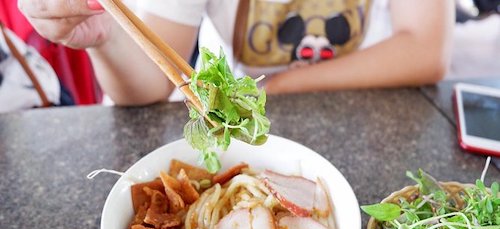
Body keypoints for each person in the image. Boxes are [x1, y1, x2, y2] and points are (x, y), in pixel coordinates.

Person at [18, 0, 454, 106]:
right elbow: (151, 84)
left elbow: (425, 51)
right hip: (267, 122)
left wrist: (281, 85)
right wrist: (104, 38)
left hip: (389, 102)